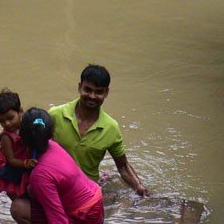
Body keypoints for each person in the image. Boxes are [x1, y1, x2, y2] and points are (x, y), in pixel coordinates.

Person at [10, 108, 105, 224]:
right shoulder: (54, 146)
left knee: (17, 208)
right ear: (50, 134)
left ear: (22, 138)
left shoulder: (41, 175)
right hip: (97, 213)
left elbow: (59, 222)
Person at [49, 65, 150, 196]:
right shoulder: (55, 115)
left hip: (87, 190)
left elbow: (123, 166)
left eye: (98, 92)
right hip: (55, 185)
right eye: (88, 90)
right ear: (79, 87)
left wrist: (139, 187)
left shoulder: (111, 127)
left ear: (106, 93)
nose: (92, 96)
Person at [0, 89, 37, 199]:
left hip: (24, 161)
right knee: (17, 194)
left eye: (10, 118)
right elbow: (11, 160)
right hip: (13, 166)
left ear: (20, 112)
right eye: (2, 121)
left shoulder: (26, 125)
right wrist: (25, 163)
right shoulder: (6, 137)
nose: (7, 124)